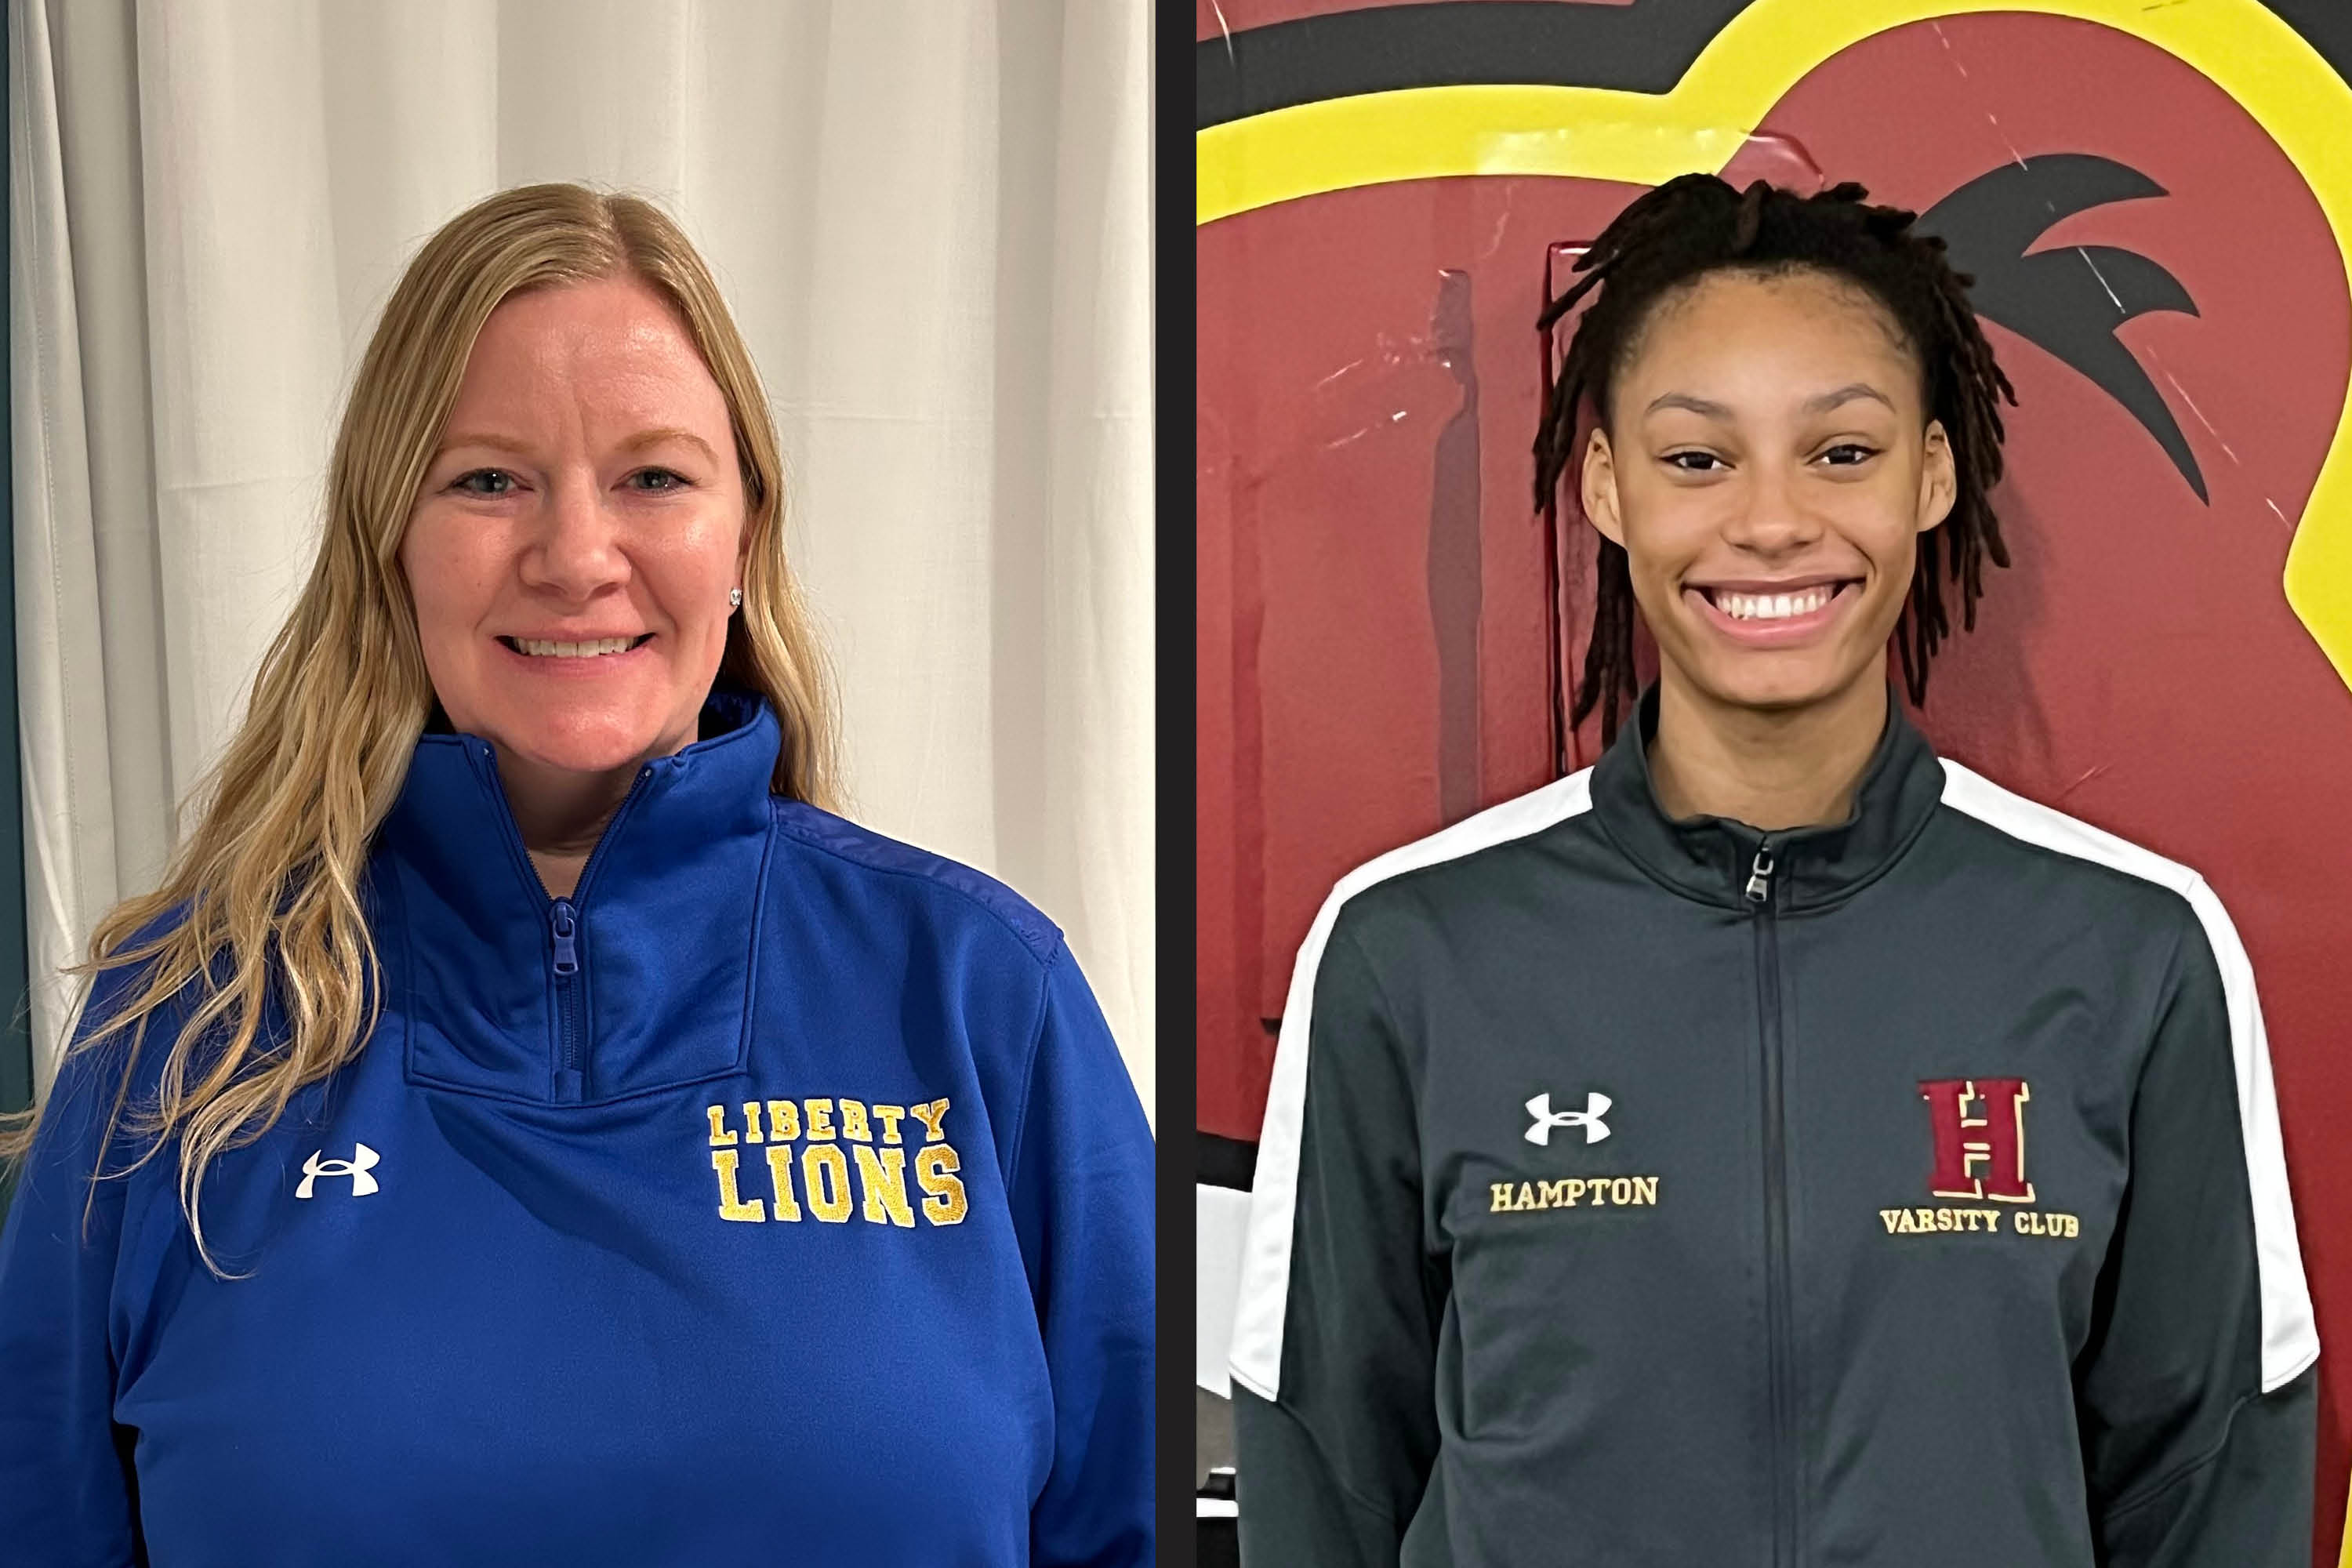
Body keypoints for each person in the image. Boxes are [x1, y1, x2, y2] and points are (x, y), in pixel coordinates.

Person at [0, 183, 1153, 1566]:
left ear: (744, 539)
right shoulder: (181, 1032)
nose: (575, 557)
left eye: (653, 477)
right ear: (392, 546)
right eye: (488, 480)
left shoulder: (978, 1000)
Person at [1229, 175, 2315, 1566]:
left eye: (1840, 452)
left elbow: (2214, 1473)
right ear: (1606, 486)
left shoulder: (2131, 947)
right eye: (1697, 459)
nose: (1772, 522)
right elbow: (1326, 1473)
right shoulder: (1412, 947)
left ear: (1933, 473)